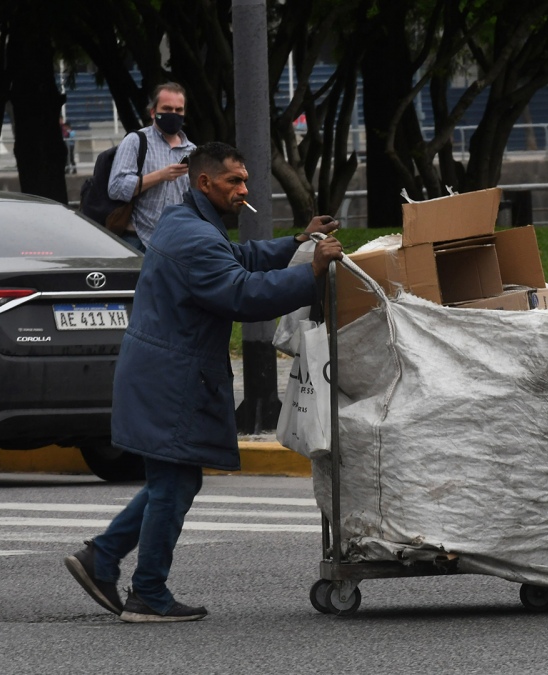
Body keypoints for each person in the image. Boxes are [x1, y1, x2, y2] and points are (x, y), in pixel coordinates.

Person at [64, 141, 344, 622]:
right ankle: (148, 592)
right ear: (204, 183)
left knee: (172, 479)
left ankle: (102, 556)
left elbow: (239, 256)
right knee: (173, 483)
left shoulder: (185, 223)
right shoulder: (195, 238)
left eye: (246, 181)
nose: (244, 190)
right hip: (172, 377)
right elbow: (240, 293)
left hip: (163, 370)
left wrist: (298, 243)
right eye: (234, 182)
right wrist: (312, 273)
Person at [107, 82, 197, 253]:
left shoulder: (192, 151)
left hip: (175, 243)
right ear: (153, 112)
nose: (173, 114)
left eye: (179, 110)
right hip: (138, 240)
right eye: (167, 108)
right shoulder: (136, 141)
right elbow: (116, 187)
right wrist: (160, 176)